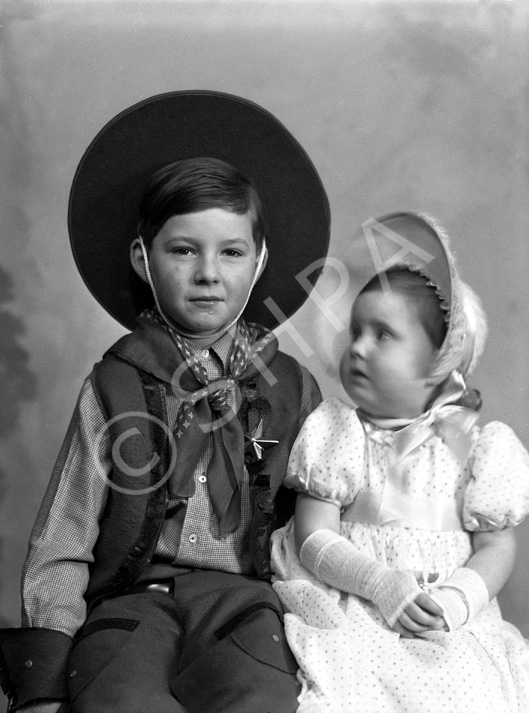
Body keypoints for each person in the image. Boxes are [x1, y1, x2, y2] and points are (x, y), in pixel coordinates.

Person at [0, 91, 330, 713]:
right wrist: (41, 682)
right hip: (129, 601)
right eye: (183, 250)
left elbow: (324, 516)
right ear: (143, 258)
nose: (208, 272)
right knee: (119, 697)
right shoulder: (114, 386)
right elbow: (63, 537)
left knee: (260, 696)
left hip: (246, 600)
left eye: (231, 251)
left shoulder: (292, 390)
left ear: (258, 262)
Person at [271, 212, 529, 713]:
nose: (359, 347)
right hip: (357, 604)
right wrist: (379, 584)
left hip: (447, 615)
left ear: (440, 365)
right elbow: (313, 535)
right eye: (356, 331)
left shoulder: (475, 448)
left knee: (472, 691)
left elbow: (496, 547)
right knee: (352, 691)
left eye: (383, 335)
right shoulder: (339, 432)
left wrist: (458, 601)